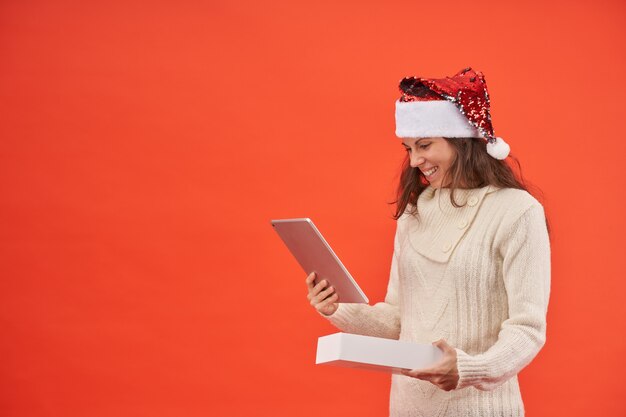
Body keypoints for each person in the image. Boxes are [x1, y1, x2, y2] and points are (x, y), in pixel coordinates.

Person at [305, 67, 551, 417]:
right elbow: (397, 320)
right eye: (408, 147)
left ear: (461, 141)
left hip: (480, 410)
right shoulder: (413, 214)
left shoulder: (518, 212)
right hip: (408, 407)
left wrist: (468, 369)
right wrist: (338, 308)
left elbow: (527, 330)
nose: (415, 160)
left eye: (424, 145)